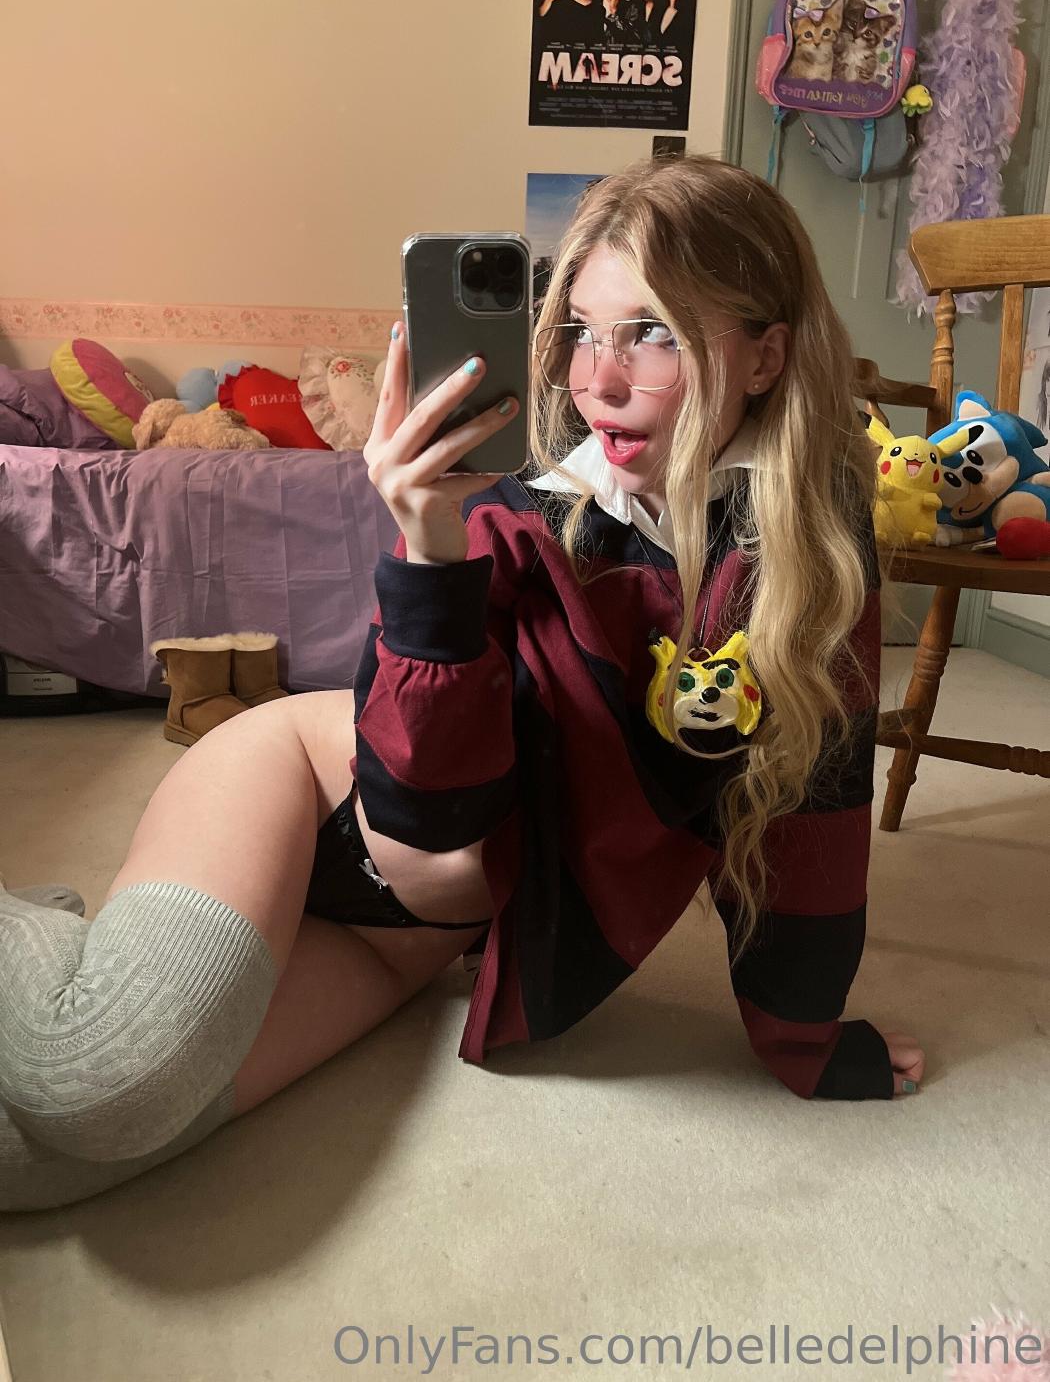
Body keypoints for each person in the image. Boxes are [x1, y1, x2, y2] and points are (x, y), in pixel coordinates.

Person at [0, 153, 925, 1213]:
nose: (600, 380)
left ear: (766, 355)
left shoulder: (810, 555)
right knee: (93, 1077)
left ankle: (63, 940)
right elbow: (424, 805)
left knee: (39, 1157)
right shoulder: (526, 507)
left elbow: (811, 810)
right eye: (581, 330)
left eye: (655, 332)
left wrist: (804, 1036)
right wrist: (430, 549)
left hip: (409, 935)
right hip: (308, 786)